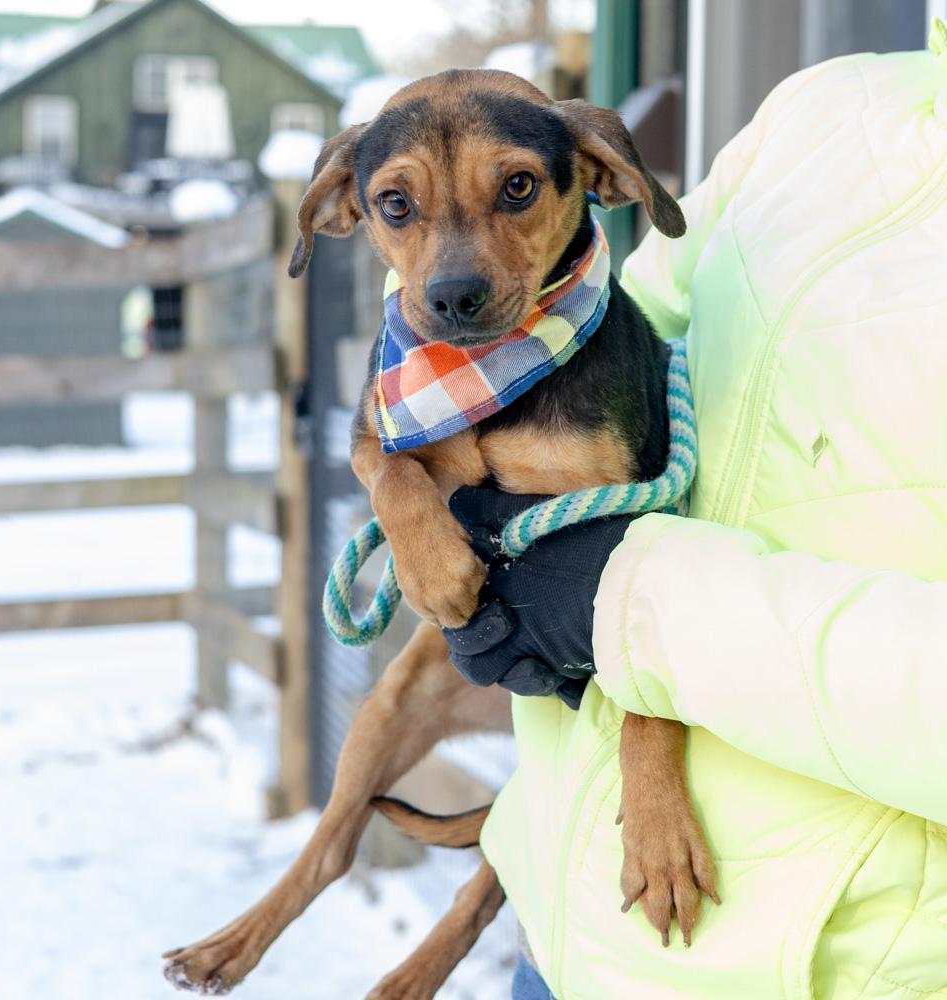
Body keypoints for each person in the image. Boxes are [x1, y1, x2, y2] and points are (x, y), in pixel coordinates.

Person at [443, 26, 947, 1000]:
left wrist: (617, 598)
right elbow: (604, 347)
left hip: (832, 973)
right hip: (562, 937)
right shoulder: (827, 109)